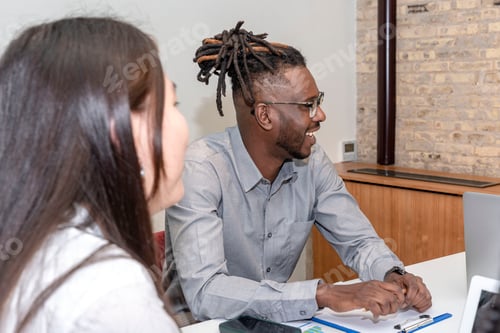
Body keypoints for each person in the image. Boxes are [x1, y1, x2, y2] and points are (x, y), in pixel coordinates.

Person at [163, 21, 432, 323]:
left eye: (318, 101)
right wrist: (325, 294)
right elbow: (206, 292)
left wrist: (392, 273)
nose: (320, 115)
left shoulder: (312, 162)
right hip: (197, 327)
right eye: (308, 105)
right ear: (265, 115)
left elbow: (358, 241)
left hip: (274, 323)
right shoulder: (200, 169)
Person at [0, 17, 188, 332]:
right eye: (174, 103)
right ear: (121, 133)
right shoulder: (112, 291)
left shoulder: (34, 249)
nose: (183, 126)